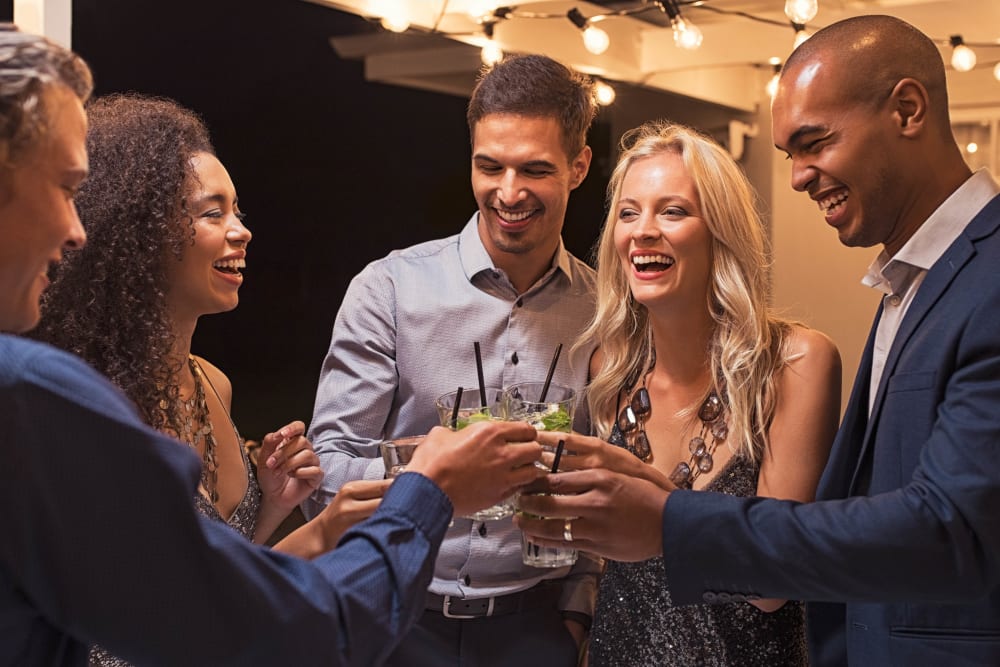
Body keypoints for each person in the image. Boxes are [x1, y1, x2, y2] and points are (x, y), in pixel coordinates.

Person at [0, 25, 544, 666]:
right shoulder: (38, 398)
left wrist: (307, 521)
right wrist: (427, 489)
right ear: (141, 231)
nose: (75, 229)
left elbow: (217, 600)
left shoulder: (200, 387)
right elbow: (286, 630)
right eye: (64, 189)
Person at [516, 14, 1000, 666]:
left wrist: (665, 520)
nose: (799, 177)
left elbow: (947, 526)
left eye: (815, 142)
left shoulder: (981, 280)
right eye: (627, 212)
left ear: (907, 110)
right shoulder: (907, 282)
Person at [32, 93, 397, 666]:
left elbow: (221, 583)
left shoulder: (213, 385)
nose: (241, 231)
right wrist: (325, 532)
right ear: (140, 234)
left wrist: (272, 509)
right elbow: (181, 612)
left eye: (239, 212)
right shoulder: (92, 404)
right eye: (212, 213)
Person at [304, 54, 601, 666]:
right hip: (394, 620)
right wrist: (434, 485)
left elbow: (604, 471)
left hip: (536, 626)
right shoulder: (388, 288)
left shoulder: (607, 310)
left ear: (579, 167)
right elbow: (326, 466)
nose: (508, 192)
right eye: (489, 166)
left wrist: (575, 615)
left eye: (535, 170)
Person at [533, 120, 840, 666]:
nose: (643, 230)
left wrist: (652, 510)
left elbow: (770, 585)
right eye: (629, 213)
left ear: (718, 230)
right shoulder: (610, 371)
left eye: (672, 211)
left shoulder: (795, 362)